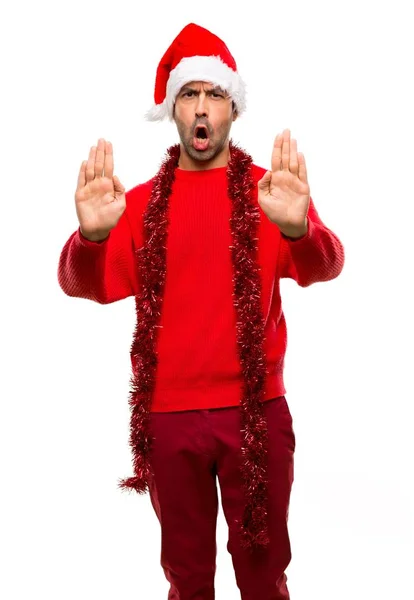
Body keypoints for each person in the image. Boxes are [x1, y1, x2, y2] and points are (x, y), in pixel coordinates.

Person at [57, 22, 345, 600]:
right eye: (190, 94)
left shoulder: (270, 192)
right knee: (188, 579)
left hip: (257, 413)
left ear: (232, 108)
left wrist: (297, 227)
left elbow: (326, 264)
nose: (202, 107)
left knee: (264, 576)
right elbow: (82, 285)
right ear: (174, 109)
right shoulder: (135, 205)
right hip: (169, 418)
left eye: (215, 94)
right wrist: (89, 239)